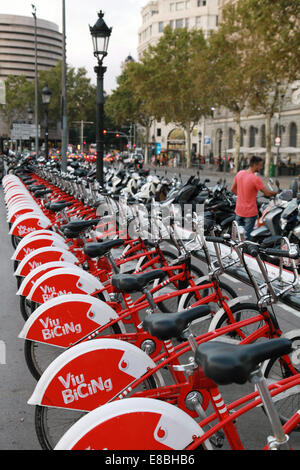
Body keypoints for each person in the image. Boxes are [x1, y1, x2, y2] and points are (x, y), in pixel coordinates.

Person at [230, 155, 277, 240]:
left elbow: (233, 189)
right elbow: (267, 193)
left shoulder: (240, 173)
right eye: (260, 165)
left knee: (238, 237)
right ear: (255, 165)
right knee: (246, 238)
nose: (261, 167)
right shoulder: (255, 179)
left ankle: (236, 251)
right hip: (250, 213)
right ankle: (245, 252)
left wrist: (242, 195)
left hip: (239, 210)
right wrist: (276, 193)